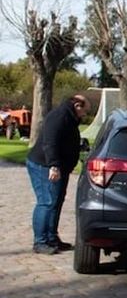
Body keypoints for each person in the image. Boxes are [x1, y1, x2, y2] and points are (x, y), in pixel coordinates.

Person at [26, 94, 89, 255]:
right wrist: (53, 165)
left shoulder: (69, 117)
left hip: (60, 166)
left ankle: (52, 237)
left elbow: (65, 140)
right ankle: (40, 241)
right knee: (46, 202)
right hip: (44, 165)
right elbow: (50, 142)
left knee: (56, 201)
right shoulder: (59, 116)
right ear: (77, 105)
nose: (85, 114)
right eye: (85, 111)